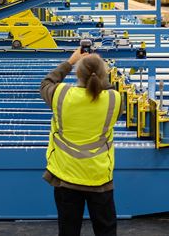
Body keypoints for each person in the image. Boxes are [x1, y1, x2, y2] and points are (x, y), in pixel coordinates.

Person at [40, 48, 122, 236]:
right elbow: (106, 89)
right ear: (103, 74)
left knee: (68, 230)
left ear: (78, 74)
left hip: (66, 177)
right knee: (106, 231)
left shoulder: (60, 95)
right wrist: (99, 69)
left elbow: (46, 83)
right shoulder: (114, 99)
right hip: (99, 177)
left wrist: (70, 62)